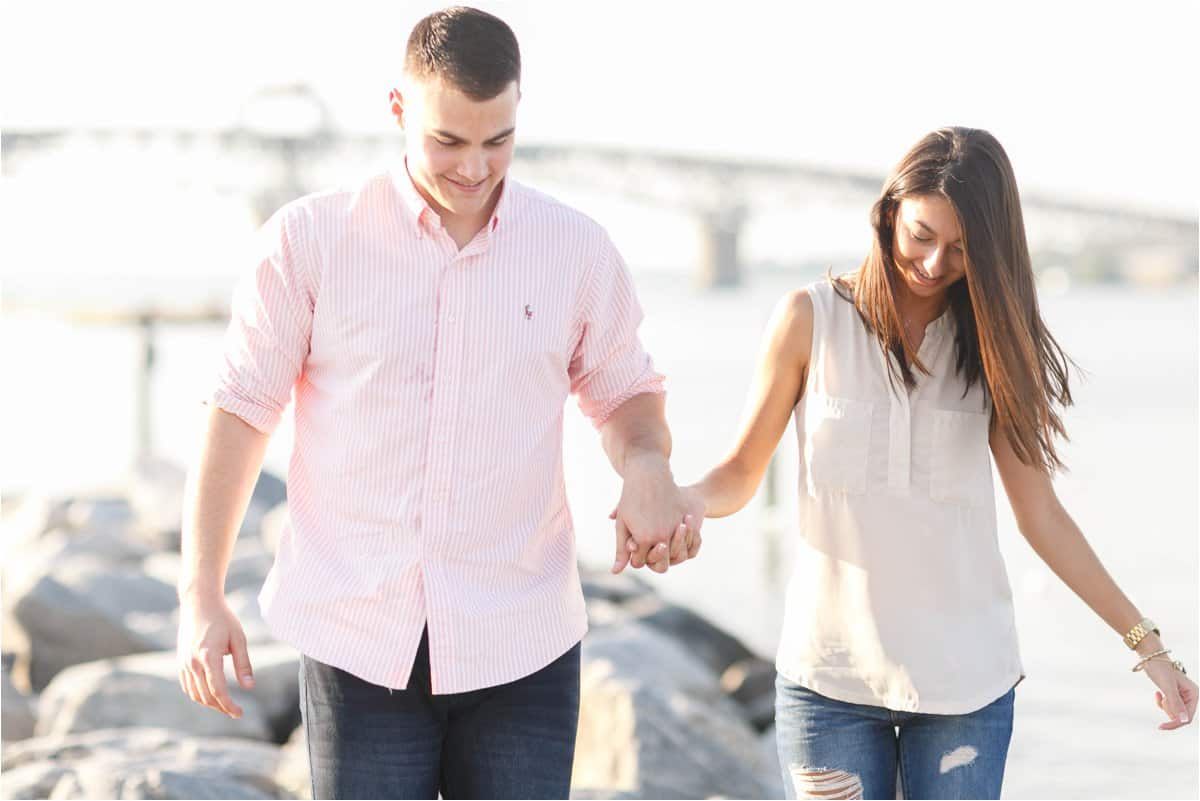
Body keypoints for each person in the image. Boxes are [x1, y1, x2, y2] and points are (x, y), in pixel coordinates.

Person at [174, 7, 702, 799]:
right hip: (360, 640)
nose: (475, 167)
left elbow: (625, 396)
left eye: (499, 140)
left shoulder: (577, 252)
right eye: (447, 140)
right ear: (397, 109)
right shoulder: (309, 241)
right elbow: (240, 412)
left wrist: (649, 465)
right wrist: (201, 594)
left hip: (523, 644)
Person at [667, 127, 1196, 799]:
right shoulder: (810, 319)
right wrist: (681, 498)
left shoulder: (996, 350)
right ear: (890, 210)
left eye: (961, 249)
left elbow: (1041, 516)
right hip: (828, 682)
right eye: (921, 234)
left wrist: (1147, 645)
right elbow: (741, 471)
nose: (933, 262)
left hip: (964, 690)